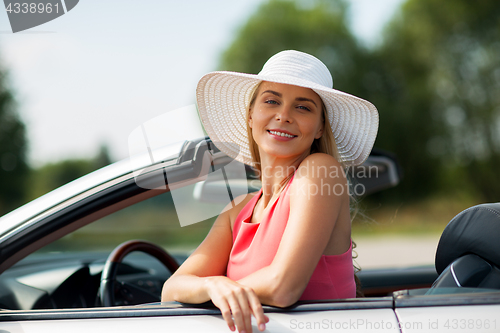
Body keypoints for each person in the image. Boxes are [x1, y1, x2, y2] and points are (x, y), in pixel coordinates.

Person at [161, 50, 379, 333]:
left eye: (303, 107)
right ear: (251, 116)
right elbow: (171, 289)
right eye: (272, 101)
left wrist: (220, 288)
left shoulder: (320, 169)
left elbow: (283, 287)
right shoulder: (238, 210)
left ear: (319, 127)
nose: (283, 115)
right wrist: (213, 284)